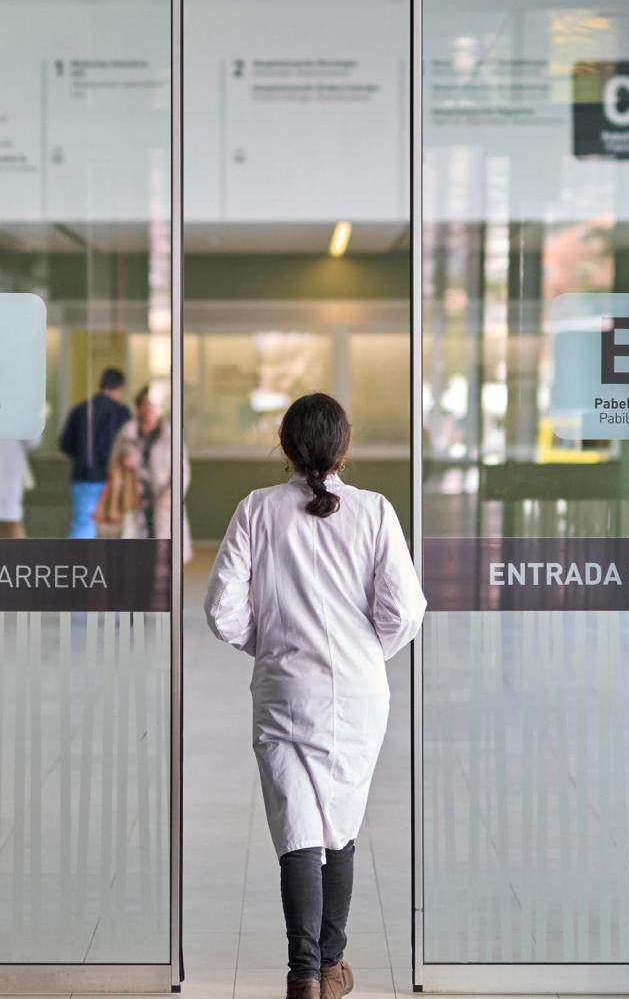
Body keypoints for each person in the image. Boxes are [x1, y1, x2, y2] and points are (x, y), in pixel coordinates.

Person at [203, 393, 425, 999]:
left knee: (297, 827)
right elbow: (405, 611)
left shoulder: (257, 510)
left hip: (282, 688)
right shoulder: (375, 511)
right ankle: (330, 967)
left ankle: (305, 975)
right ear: (344, 447)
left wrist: (272, 645)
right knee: (340, 825)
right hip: (358, 692)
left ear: (286, 446)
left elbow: (222, 612)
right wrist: (363, 652)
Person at [109, 385, 191, 561]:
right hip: (134, 500)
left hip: (162, 501)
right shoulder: (127, 432)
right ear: (139, 406)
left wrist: (172, 495)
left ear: (161, 409)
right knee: (133, 555)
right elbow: (112, 466)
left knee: (164, 556)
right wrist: (124, 465)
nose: (148, 409)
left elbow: (182, 470)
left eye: (153, 405)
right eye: (145, 404)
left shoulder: (171, 435)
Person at [57, 367, 133, 539]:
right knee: (115, 528)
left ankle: (80, 563)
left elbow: (65, 445)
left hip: (84, 477)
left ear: (100, 384)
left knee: (84, 524)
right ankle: (111, 565)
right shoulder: (122, 413)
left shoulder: (80, 410)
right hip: (114, 480)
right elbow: (129, 448)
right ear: (120, 388)